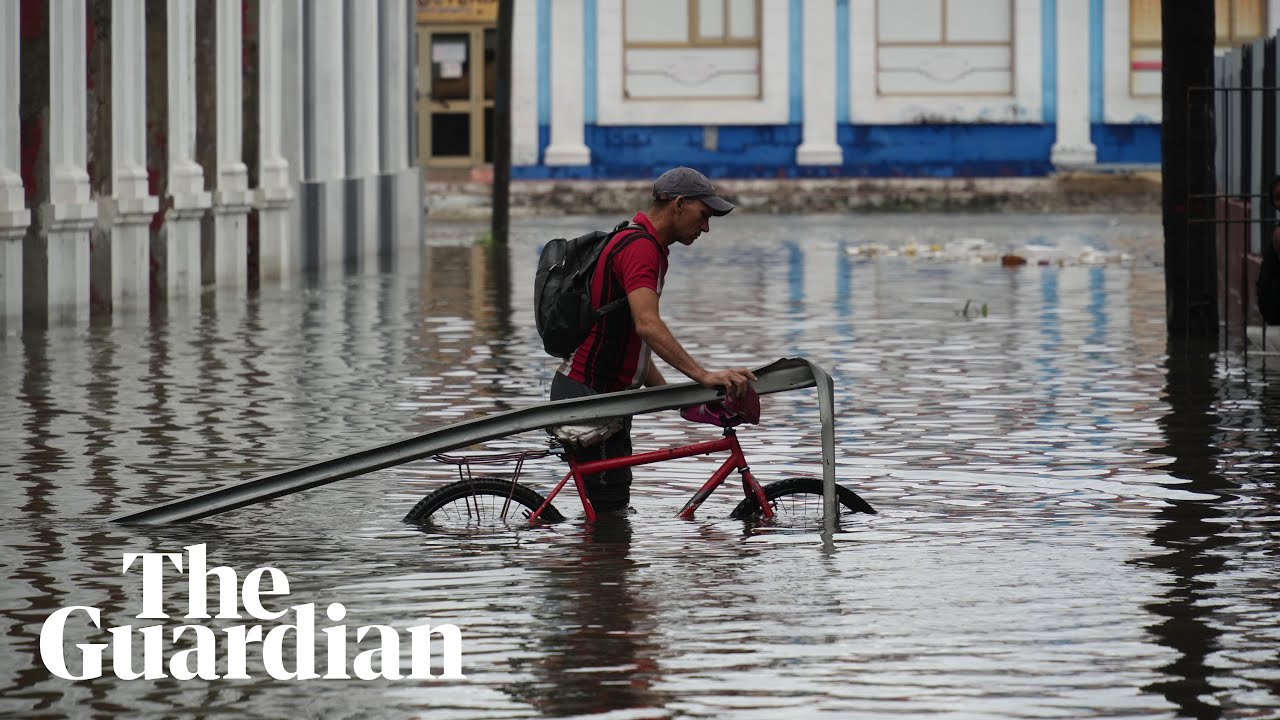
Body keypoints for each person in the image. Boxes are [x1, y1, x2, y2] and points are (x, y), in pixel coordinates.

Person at [549, 166, 758, 513]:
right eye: (703, 215)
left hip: (604, 396)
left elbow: (631, 337)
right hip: (592, 396)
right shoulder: (640, 248)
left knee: (611, 516)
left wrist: (671, 397)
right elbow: (647, 325)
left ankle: (594, 565)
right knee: (610, 514)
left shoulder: (637, 241)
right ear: (678, 204)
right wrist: (703, 376)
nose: (705, 228)